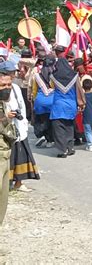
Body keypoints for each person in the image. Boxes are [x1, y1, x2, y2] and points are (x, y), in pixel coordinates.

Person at [0, 61, 39, 192]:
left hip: (17, 128)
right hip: (5, 129)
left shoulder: (15, 88)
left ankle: (18, 182)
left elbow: (20, 105)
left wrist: (22, 120)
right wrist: (6, 116)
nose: (12, 74)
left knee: (20, 156)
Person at [50, 58, 85, 158]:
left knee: (59, 128)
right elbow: (79, 90)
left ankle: (62, 150)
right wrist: (81, 103)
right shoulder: (74, 76)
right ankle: (70, 148)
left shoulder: (53, 76)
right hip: (71, 105)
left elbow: (51, 88)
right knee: (69, 126)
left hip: (58, 105)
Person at [0, 70, 17, 224]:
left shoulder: (4, 104)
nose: (7, 88)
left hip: (6, 154)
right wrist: (6, 118)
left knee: (3, 203)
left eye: (9, 85)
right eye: (3, 85)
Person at [31, 56, 55, 148]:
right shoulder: (54, 76)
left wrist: (34, 101)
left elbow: (34, 90)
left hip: (40, 101)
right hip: (52, 102)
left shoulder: (36, 76)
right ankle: (50, 140)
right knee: (50, 122)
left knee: (41, 120)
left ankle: (42, 135)